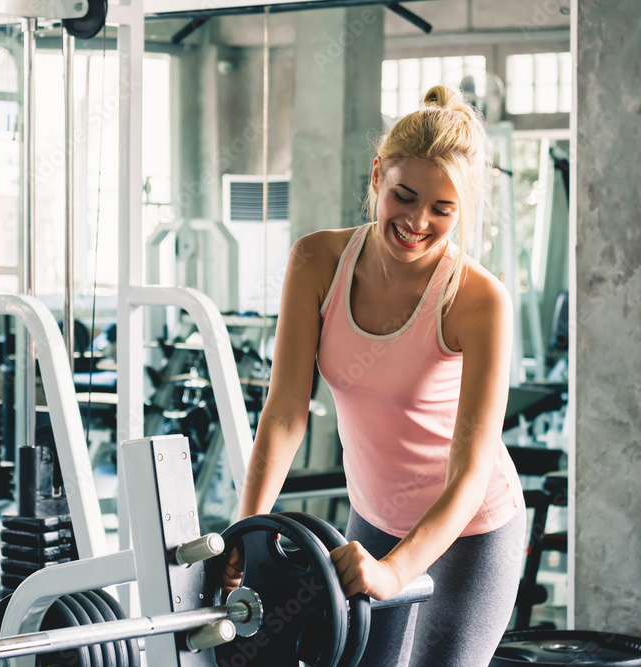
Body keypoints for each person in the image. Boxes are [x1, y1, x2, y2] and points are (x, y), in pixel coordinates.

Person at [223, 85, 526, 666]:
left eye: (442, 209)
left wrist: (395, 572)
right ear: (376, 176)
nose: (416, 222)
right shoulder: (317, 262)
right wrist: (249, 530)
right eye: (404, 197)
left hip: (472, 530)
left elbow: (469, 471)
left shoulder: (478, 300)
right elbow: (286, 411)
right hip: (375, 517)